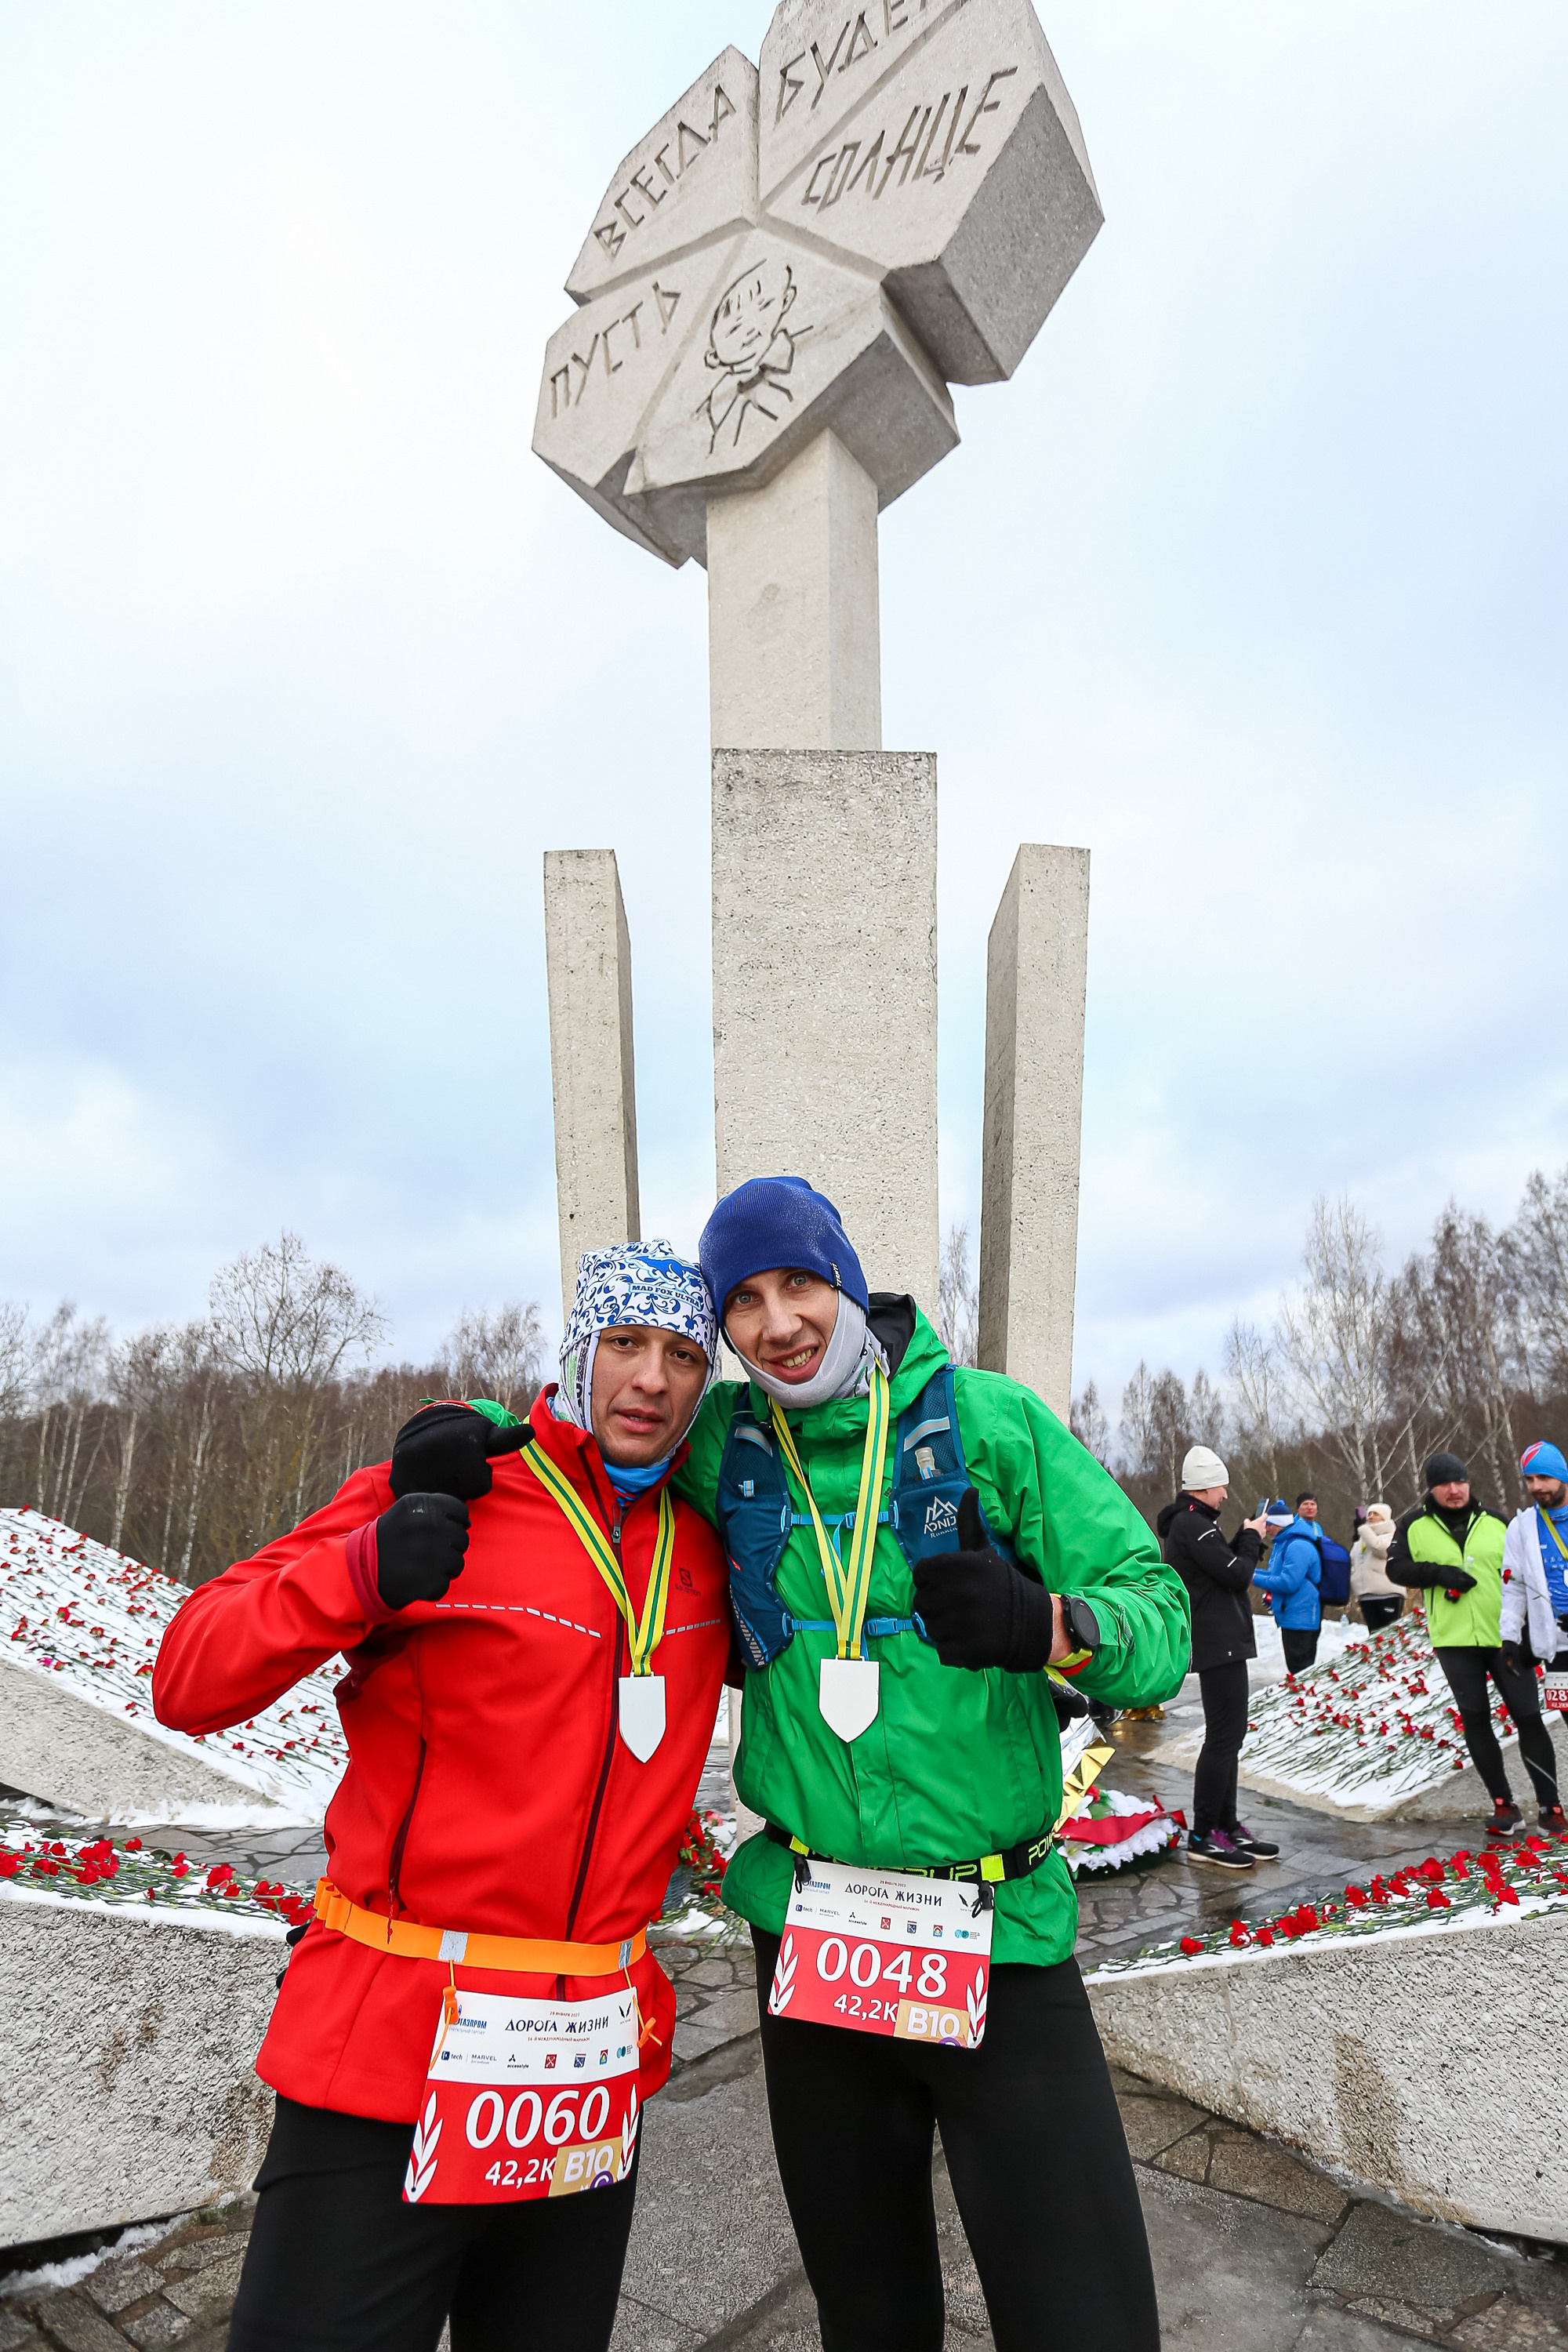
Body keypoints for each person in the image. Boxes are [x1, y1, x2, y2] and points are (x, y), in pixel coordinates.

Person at [154, 1243, 731, 2352]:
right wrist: (365, 1565)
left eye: (682, 1355)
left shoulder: (705, 1545)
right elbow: (189, 1676)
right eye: (624, 1344)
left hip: (582, 2079)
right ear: (578, 1350)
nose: (651, 1379)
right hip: (389, 2064)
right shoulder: (451, 1492)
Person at [676, 1176, 1190, 2352]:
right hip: (817, 1941)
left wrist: (1050, 1626)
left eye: (799, 1282)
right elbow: (605, 1431)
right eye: (743, 1301)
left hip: (993, 1933)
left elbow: (1154, 1614)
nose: (777, 1322)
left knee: (1084, 2319)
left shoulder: (991, 1422)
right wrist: (475, 1448)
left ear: (849, 1284)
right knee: (869, 2317)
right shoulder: (726, 1445)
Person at [1387, 1450, 1558, 1840]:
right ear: (1431, 1488)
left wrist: (1530, 1630)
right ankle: (1504, 1807)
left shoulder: (1499, 1521)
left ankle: (1551, 1808)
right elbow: (1395, 1569)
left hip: (1505, 1638)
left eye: (1460, 1481)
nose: (1454, 1489)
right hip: (1454, 1640)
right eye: (1445, 1483)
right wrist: (1438, 1573)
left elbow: (1527, 1576)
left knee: (1529, 1716)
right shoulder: (1413, 1524)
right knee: (1476, 1719)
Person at [1156, 1446, 1277, 1871]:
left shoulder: (1194, 1525)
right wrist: (1251, 1537)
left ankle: (1225, 1824)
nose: (1226, 1494)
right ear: (1206, 1486)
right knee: (1224, 1739)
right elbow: (1237, 1574)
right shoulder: (1192, 1524)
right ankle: (1205, 1833)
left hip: (1222, 1642)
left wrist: (1244, 1539)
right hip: (1218, 1644)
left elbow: (1223, 1570)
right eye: (1222, 1485)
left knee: (1230, 1737)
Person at [1500, 1440, 1568, 1833]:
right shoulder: (1522, 1526)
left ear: (1561, 1474)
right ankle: (1553, 1810)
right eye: (1529, 1479)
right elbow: (1514, 1586)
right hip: (1555, 1649)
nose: (1537, 1486)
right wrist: (1511, 1638)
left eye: (1544, 1477)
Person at [1253, 1497, 1323, 1674]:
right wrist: (1249, 1571)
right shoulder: (1284, 1544)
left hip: (1301, 1619)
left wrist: (1252, 1578)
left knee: (1301, 1672)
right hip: (1292, 1617)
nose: (1266, 1528)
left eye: (1269, 1524)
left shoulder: (1297, 1546)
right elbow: (1275, 1576)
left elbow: (1288, 1583)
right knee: (1296, 1669)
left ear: (1279, 1524)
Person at [1349, 1504, 1403, 1632]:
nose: (1371, 1517)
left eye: (1376, 1514)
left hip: (1388, 1594)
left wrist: (1363, 1529)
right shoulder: (1363, 1539)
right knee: (1374, 1636)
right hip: (1367, 1595)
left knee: (1388, 1635)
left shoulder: (1391, 1535)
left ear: (1384, 1517)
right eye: (1369, 1514)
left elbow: (1381, 1550)